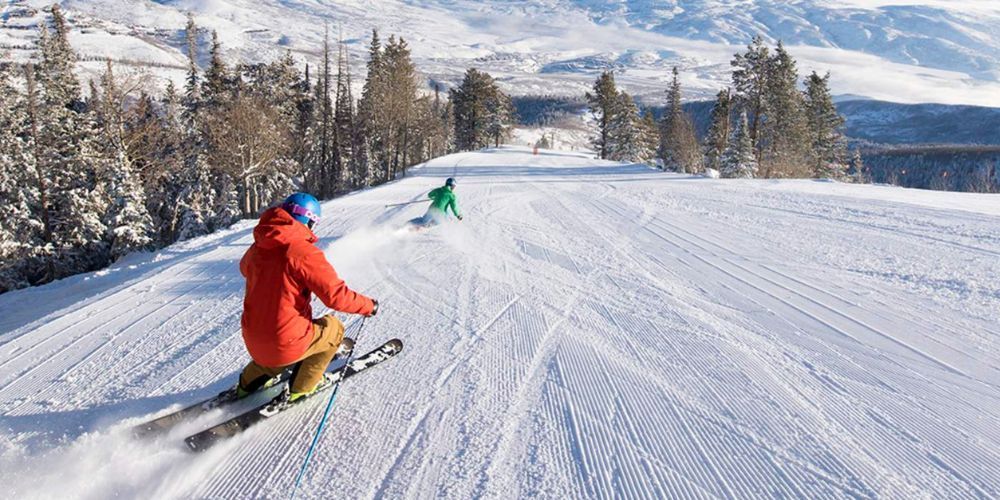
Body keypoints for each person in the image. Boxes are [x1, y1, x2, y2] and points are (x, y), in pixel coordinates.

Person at [236, 192, 377, 404]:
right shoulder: (303, 252)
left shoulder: (259, 246)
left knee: (278, 339)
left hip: (252, 339)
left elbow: (244, 268)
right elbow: (336, 297)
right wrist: (368, 306)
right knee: (333, 328)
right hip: (285, 343)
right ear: (309, 220)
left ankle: (246, 384)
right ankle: (301, 389)